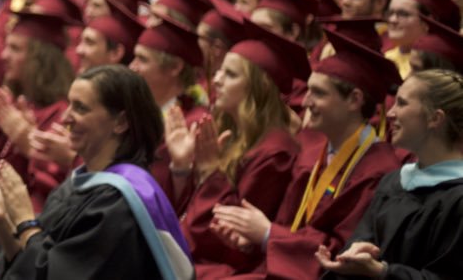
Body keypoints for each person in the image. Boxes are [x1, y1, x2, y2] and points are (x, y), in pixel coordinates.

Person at [0, 65, 191, 279]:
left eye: (80, 108)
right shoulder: (81, 183)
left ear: (120, 122)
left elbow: (54, 274)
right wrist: (2, 221)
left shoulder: (117, 204)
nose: (65, 117)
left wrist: (24, 219)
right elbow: (29, 266)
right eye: (69, 104)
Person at [207, 31, 403, 278]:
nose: (306, 102)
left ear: (354, 100)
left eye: (319, 93)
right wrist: (251, 240)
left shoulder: (377, 172)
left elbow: (343, 254)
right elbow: (293, 228)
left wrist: (269, 234)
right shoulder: (312, 155)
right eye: (308, 90)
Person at [167, 22, 306, 275]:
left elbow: (224, 241)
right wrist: (182, 167)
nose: (216, 80)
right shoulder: (232, 135)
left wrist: (210, 172)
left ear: (259, 87)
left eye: (230, 75)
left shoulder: (275, 154)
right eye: (219, 72)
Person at [317, 69, 463, 278]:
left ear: (435, 118)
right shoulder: (394, 182)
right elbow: (361, 244)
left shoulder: (457, 199)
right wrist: (349, 260)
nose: (391, 112)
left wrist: (383, 272)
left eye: (402, 103)